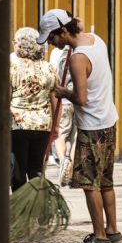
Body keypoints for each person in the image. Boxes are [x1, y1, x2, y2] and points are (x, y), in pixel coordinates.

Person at [38, 9, 122, 243]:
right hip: (108, 120)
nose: (52, 43)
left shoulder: (77, 58)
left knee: (89, 184)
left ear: (63, 32)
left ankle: (99, 237)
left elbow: (82, 99)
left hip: (92, 126)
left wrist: (64, 92)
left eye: (52, 38)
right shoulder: (97, 40)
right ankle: (113, 231)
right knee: (105, 181)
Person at [9, 27, 58, 191]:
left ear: (21, 45)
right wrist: (56, 126)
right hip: (43, 125)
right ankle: (36, 207)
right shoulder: (48, 68)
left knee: (18, 171)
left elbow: (6, 97)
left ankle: (21, 208)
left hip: (18, 125)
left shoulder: (12, 67)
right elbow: (55, 99)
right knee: (36, 170)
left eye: (15, 42)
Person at [48, 42, 76, 183]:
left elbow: (53, 78)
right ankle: (70, 171)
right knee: (76, 138)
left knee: (61, 135)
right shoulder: (80, 52)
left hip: (63, 100)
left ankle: (63, 163)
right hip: (78, 101)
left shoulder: (55, 53)